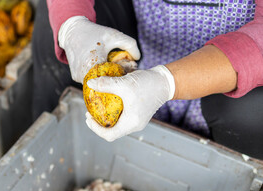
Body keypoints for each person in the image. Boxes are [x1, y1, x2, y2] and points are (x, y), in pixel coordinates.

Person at [32, 0, 263, 159]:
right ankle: (56, 159)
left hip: (230, 70)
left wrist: (168, 82)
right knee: (53, 25)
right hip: (145, 41)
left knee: (251, 113)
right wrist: (72, 25)